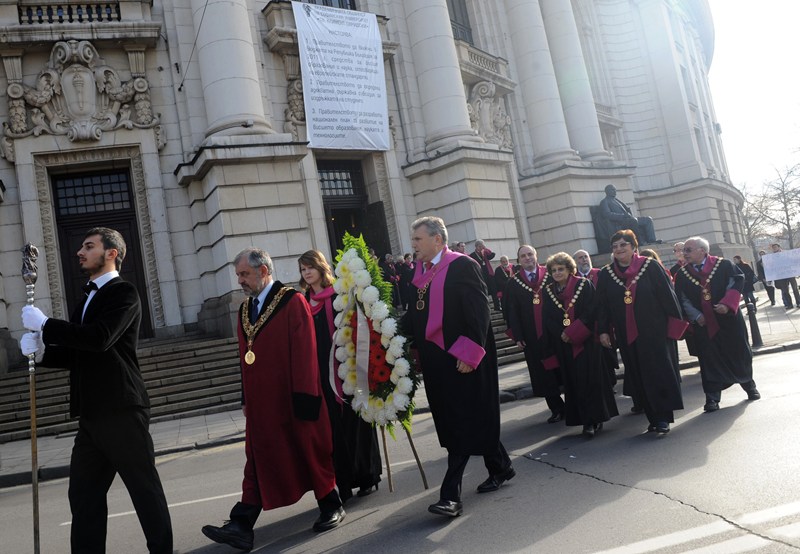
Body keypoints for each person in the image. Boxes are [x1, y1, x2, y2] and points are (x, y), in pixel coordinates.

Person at [19, 227, 173, 553]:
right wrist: (42, 352)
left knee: (144, 491)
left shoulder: (124, 293)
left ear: (111, 253)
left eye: (89, 246)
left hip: (121, 408)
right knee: (84, 496)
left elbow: (100, 338)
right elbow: (79, 353)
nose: (80, 252)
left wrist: (47, 326)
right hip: (91, 415)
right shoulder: (86, 299)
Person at [202, 248, 344, 551]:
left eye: (244, 274)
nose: (239, 280)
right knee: (256, 460)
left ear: (264, 271)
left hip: (293, 398)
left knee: (308, 453)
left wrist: (306, 397)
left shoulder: (292, 302)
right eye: (239, 274)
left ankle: (331, 504)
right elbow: (244, 357)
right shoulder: (245, 309)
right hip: (260, 403)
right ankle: (241, 524)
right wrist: (245, 396)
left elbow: (305, 351)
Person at [402, 217, 513, 518]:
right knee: (463, 418)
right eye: (413, 239)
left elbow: (479, 312)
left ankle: (451, 495)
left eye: (418, 239)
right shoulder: (419, 274)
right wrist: (387, 334)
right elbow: (415, 318)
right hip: (436, 363)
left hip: (461, 359)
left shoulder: (462, 265)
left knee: (461, 422)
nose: (413, 245)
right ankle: (500, 466)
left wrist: (470, 353)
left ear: (437, 240)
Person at [298, 250, 382, 503]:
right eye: (303, 270)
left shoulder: (339, 292)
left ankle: (367, 475)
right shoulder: (304, 300)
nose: (307, 273)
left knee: (357, 422)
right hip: (322, 372)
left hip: (347, 364)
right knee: (333, 430)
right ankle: (342, 483)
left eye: (310, 267)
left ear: (321, 267)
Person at [596, 229, 686, 434]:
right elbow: (602, 306)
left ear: (633, 247)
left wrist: (676, 326)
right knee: (639, 375)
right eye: (615, 246)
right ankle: (653, 417)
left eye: (623, 245)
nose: (619, 249)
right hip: (627, 334)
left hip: (656, 332)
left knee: (658, 373)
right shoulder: (606, 274)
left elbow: (667, 296)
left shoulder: (650, 266)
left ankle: (663, 417)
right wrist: (603, 331)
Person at [675, 238, 760, 412]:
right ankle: (712, 398)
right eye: (684, 250)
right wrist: (696, 315)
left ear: (702, 250)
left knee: (739, 353)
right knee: (709, 359)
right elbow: (682, 299)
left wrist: (727, 304)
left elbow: (736, 282)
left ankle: (749, 386)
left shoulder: (724, 265)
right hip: (703, 324)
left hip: (728, 320)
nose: (685, 253)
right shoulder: (683, 274)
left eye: (688, 250)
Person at [541, 253, 618, 437]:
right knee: (574, 383)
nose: (557, 273)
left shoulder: (583, 285)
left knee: (590, 380)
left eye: (561, 269)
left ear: (569, 269)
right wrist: (562, 333)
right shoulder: (548, 290)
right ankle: (584, 419)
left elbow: (593, 310)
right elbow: (547, 317)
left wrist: (574, 332)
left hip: (587, 342)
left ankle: (595, 419)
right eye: (554, 270)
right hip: (564, 345)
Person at [503, 245, 565, 423]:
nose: (527, 258)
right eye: (523, 256)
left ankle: (574, 404)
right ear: (518, 261)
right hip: (532, 337)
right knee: (542, 374)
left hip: (555, 332)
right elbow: (512, 312)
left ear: (536, 256)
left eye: (530, 254)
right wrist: (518, 336)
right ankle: (556, 408)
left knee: (563, 368)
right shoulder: (513, 284)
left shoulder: (551, 274)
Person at [470, 239, 501, 311]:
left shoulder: (485, 253)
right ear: (476, 247)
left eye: (482, 246)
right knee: (484, 291)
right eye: (480, 246)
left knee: (494, 290)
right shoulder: (473, 255)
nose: (481, 247)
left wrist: (485, 249)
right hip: (481, 275)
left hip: (489, 274)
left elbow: (492, 255)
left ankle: (497, 306)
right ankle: (486, 307)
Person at [770, 244, 800, 309]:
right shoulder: (771, 257)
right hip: (781, 275)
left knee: (795, 289)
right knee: (785, 291)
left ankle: (798, 302)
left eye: (775, 247)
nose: (774, 248)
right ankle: (789, 304)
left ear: (779, 247)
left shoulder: (786, 253)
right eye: (773, 248)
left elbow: (793, 260)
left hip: (790, 273)